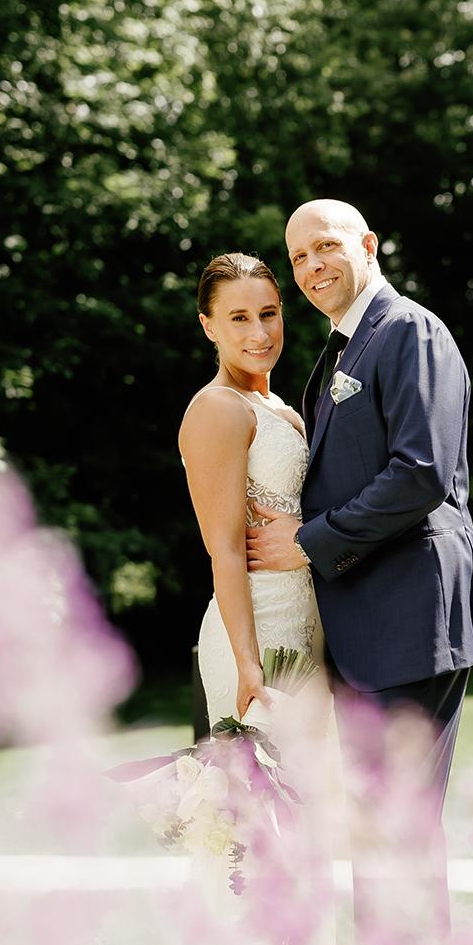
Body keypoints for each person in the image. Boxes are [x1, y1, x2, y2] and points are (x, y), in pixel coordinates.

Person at [245, 199, 473, 928]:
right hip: (365, 624)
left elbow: (420, 473)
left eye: (325, 246)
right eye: (298, 258)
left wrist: (310, 538)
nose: (312, 266)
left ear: (368, 245)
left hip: (411, 615)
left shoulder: (408, 330)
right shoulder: (338, 352)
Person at [181, 251, 324, 729]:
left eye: (268, 314)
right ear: (209, 327)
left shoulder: (281, 408)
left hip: (308, 627)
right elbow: (223, 549)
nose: (259, 333)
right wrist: (247, 665)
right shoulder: (217, 409)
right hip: (258, 634)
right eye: (238, 318)